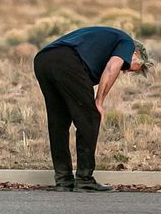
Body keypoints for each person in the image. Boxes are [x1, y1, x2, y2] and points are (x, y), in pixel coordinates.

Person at [33, 26, 154, 192]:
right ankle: (84, 180)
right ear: (136, 54)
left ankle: (63, 180)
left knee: (58, 122)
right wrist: (99, 102)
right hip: (67, 61)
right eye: (128, 67)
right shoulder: (127, 42)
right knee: (90, 117)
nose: (124, 71)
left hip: (43, 60)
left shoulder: (105, 42)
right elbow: (112, 68)